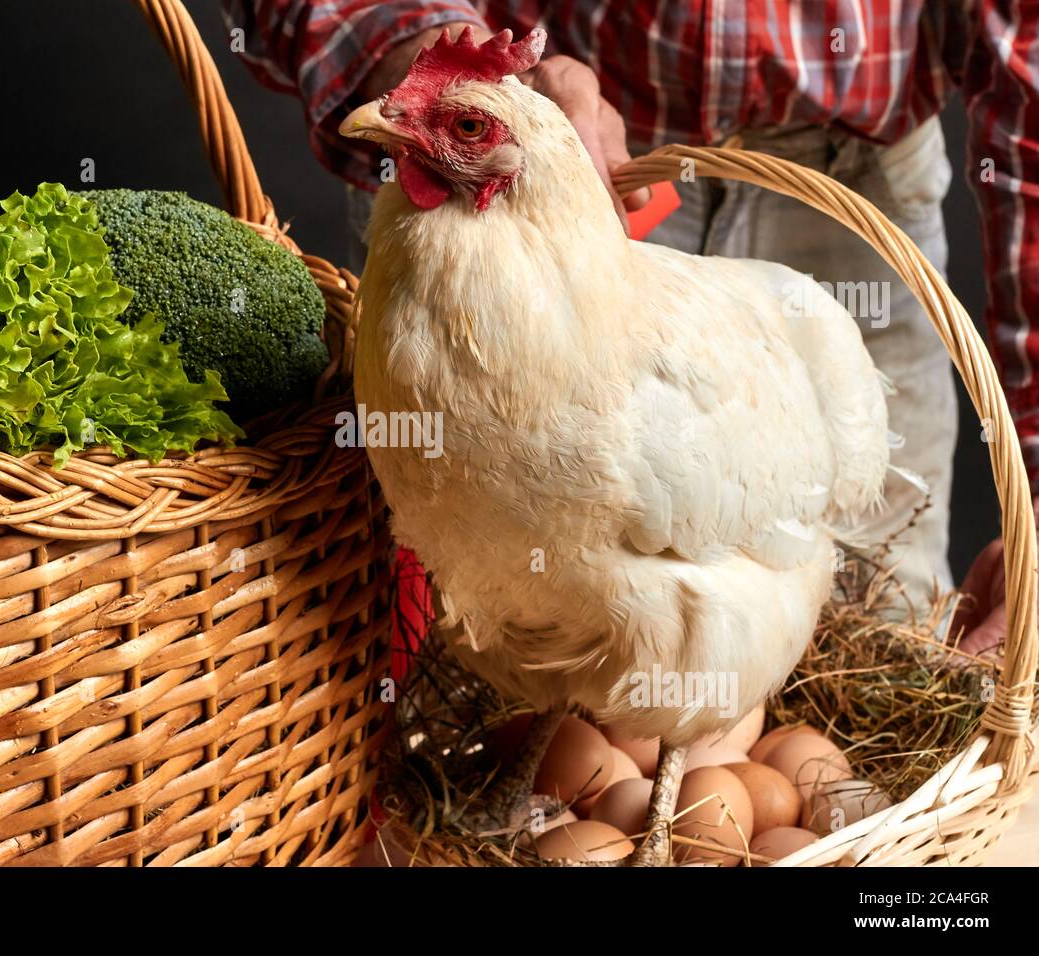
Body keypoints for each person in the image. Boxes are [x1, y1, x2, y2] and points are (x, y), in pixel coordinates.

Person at [220, 1, 1039, 658]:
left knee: (886, 640)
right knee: (466, 643)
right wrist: (417, 55)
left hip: (856, 184)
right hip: (581, 149)